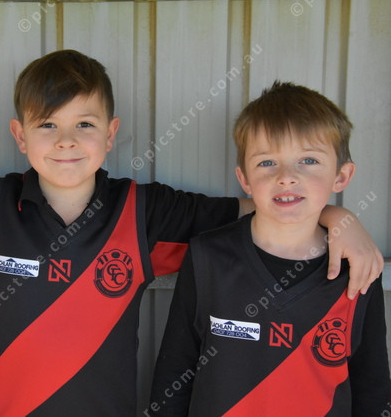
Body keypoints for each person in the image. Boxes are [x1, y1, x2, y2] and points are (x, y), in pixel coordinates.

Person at [0, 51, 383, 415]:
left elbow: (269, 202)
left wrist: (340, 218)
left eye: (85, 125)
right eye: (48, 125)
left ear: (111, 133)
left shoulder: (145, 212)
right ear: (20, 136)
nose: (66, 142)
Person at [148, 81, 391, 415]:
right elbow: (175, 372)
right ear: (244, 179)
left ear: (341, 176)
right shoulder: (208, 257)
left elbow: (372, 385)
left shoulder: (358, 267)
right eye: (267, 163)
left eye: (308, 160)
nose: (286, 177)